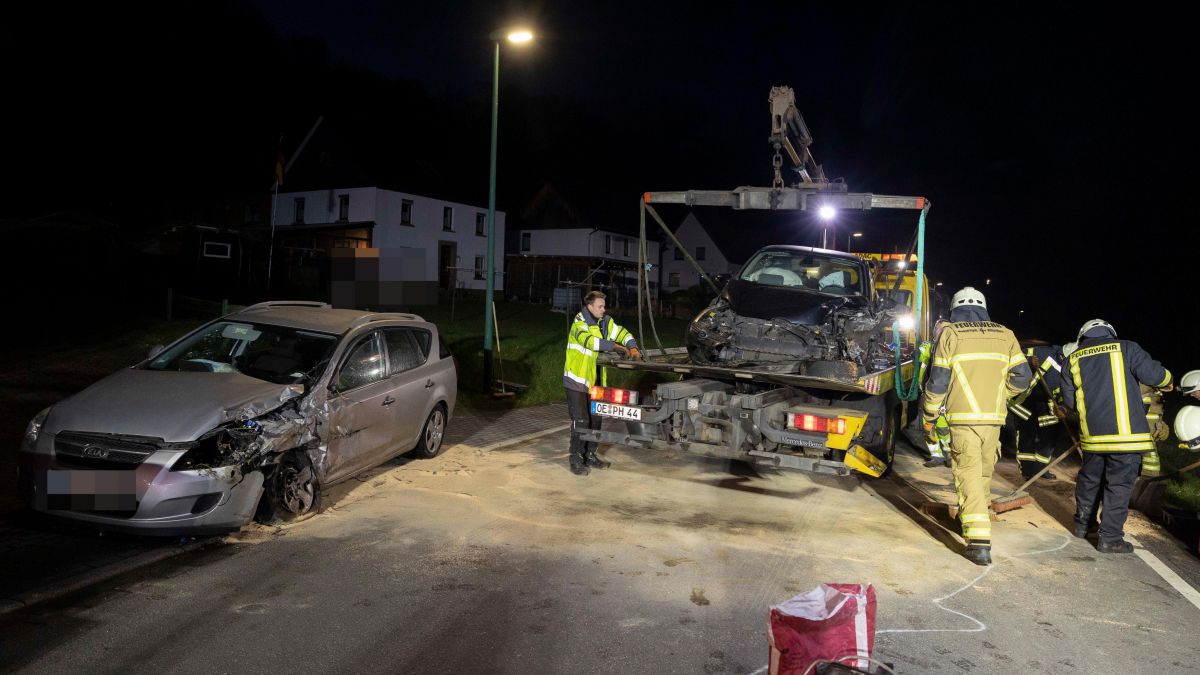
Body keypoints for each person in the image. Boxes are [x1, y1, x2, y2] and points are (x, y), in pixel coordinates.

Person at [923, 287, 1032, 565]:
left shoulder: (951, 334)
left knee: (968, 474)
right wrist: (1001, 395)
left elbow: (938, 381)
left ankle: (979, 540)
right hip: (993, 419)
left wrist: (930, 414)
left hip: (963, 418)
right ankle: (974, 517)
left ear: (954, 310)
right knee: (983, 473)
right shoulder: (1006, 334)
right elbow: (1022, 378)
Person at [1059, 319, 1172, 553]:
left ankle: (1083, 526)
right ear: (1110, 333)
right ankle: (1110, 538)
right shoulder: (1127, 348)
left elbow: (1069, 401)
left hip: (1092, 437)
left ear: (1082, 337)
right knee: (1118, 486)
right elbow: (1157, 377)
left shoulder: (1073, 358)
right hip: (1126, 438)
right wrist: (1169, 381)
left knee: (1090, 480)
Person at [562, 290, 640, 476]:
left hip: (595, 381)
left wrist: (633, 347)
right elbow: (590, 342)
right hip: (576, 380)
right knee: (581, 420)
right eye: (600, 306)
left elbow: (622, 333)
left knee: (596, 419)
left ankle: (590, 454)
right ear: (590, 307)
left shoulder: (605, 322)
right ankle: (576, 459)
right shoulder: (579, 322)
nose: (604, 310)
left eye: (604, 306)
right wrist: (614, 346)